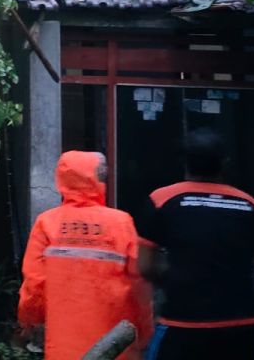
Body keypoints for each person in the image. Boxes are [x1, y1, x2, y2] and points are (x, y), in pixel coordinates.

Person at [136, 129, 254, 360]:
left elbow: (145, 266)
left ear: (184, 162)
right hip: (241, 323)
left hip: (183, 320)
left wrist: (176, 282)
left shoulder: (162, 200)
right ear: (225, 164)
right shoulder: (252, 206)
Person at [16, 151, 152, 360]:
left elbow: (34, 284)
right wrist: (143, 333)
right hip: (115, 345)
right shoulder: (121, 223)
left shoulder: (47, 223)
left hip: (63, 346)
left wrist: (29, 321)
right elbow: (139, 286)